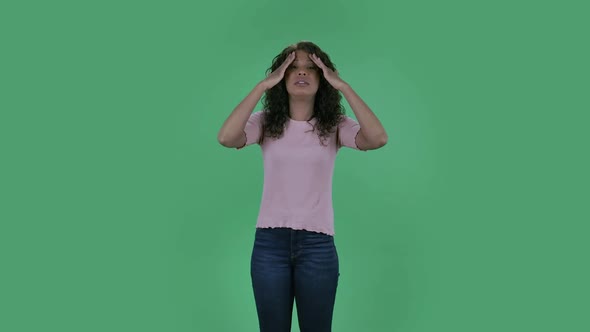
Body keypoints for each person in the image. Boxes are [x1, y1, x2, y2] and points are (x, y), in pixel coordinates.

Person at [217, 41, 387, 332]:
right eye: (293, 68)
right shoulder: (266, 122)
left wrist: (343, 86)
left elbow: (377, 138)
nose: (302, 73)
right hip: (270, 245)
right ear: (281, 77)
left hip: (317, 246)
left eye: (311, 68)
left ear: (323, 79)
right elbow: (226, 137)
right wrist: (262, 86)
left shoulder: (334, 125)